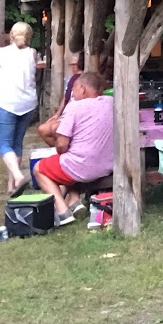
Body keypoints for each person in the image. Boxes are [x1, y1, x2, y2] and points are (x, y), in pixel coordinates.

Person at [33, 72, 113, 226]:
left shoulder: (75, 107)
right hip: (107, 165)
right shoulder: (110, 102)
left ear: (82, 89)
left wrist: (59, 142)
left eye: (73, 90)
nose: (72, 94)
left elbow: (62, 146)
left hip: (83, 167)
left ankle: (63, 212)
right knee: (69, 164)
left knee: (39, 168)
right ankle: (74, 201)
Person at [0, 21, 42, 196]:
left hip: (7, 102)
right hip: (27, 104)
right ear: (29, 36)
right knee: (17, 143)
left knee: (4, 144)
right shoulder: (32, 53)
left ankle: (18, 176)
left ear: (11, 35)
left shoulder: (0, 53)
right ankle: (12, 186)